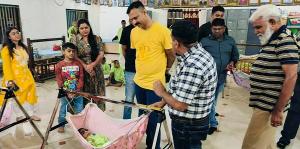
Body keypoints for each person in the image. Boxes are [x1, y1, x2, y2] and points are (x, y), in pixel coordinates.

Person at [152, 20, 217, 149]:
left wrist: (161, 92)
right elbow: (180, 88)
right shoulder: (197, 55)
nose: (170, 44)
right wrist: (164, 101)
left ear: (176, 43)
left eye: (171, 41)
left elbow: (180, 105)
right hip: (193, 122)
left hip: (188, 125)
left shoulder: (193, 65)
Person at [242, 4, 299, 149]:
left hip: (268, 107)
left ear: (273, 22)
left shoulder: (284, 40)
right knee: (266, 144)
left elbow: (291, 77)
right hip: (264, 104)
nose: (256, 32)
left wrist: (278, 111)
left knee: (251, 145)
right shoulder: (272, 40)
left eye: (258, 27)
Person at [127, 1, 175, 148]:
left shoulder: (163, 31)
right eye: (131, 20)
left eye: (136, 18)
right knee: (143, 117)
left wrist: (165, 69)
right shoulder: (134, 32)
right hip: (138, 81)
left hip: (155, 85)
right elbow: (138, 53)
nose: (134, 22)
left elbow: (171, 54)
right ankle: (149, 142)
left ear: (145, 12)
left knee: (154, 120)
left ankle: (153, 146)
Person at [201, 18, 239, 135]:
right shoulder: (204, 41)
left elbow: (235, 56)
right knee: (210, 101)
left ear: (224, 29)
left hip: (221, 77)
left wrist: (232, 62)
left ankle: (210, 120)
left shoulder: (230, 41)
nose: (217, 31)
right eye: (214, 29)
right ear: (211, 28)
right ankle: (212, 123)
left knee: (213, 101)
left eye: (219, 29)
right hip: (207, 79)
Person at [0, 27, 41, 121]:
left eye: (17, 32)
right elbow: (6, 67)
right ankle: (19, 115)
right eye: (13, 33)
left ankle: (31, 114)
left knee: (31, 94)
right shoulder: (6, 50)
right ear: (9, 37)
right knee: (18, 96)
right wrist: (10, 80)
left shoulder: (23, 47)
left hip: (27, 76)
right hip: (15, 78)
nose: (17, 34)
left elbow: (26, 63)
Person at [70, 19, 106, 111]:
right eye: (81, 28)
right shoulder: (74, 39)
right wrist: (85, 66)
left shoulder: (96, 38)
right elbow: (74, 55)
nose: (84, 30)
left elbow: (101, 53)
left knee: (98, 92)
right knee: (85, 93)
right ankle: (87, 115)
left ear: (90, 27)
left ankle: (98, 114)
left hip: (96, 70)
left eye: (86, 27)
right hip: (82, 71)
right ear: (78, 29)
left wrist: (92, 65)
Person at [55, 42, 84, 133]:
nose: (71, 53)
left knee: (79, 109)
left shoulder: (78, 64)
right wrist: (66, 91)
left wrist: (77, 90)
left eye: (73, 51)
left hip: (78, 92)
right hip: (64, 92)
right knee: (64, 108)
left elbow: (81, 78)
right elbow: (59, 80)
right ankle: (61, 124)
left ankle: (79, 126)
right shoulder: (59, 65)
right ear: (63, 52)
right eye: (69, 51)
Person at [119, 19, 136, 119]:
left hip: (144, 70)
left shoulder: (146, 30)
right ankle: (126, 122)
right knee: (129, 98)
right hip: (130, 69)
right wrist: (129, 60)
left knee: (142, 101)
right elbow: (123, 48)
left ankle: (141, 124)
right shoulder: (126, 30)